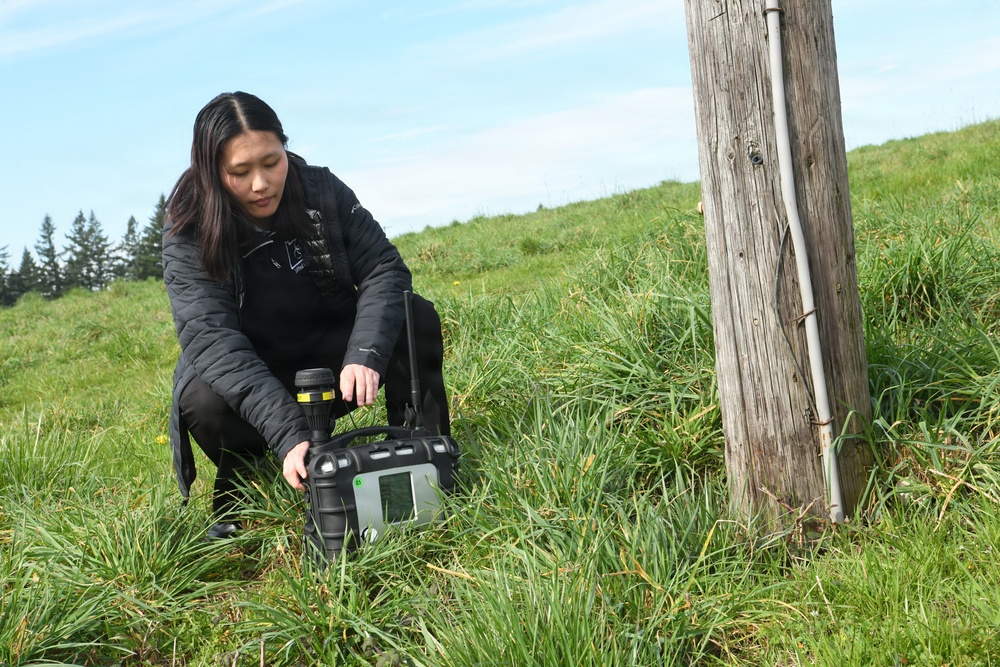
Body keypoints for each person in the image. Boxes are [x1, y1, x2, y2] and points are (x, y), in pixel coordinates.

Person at [163, 91, 450, 538]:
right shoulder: (189, 228)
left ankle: (426, 454)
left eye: (271, 162)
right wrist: (289, 433)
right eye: (240, 172)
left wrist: (365, 351)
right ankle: (244, 482)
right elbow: (211, 340)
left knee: (416, 316)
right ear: (212, 172)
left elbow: (383, 268)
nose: (261, 183)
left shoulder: (320, 190)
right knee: (202, 396)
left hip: (335, 359)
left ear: (285, 146)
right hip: (259, 373)